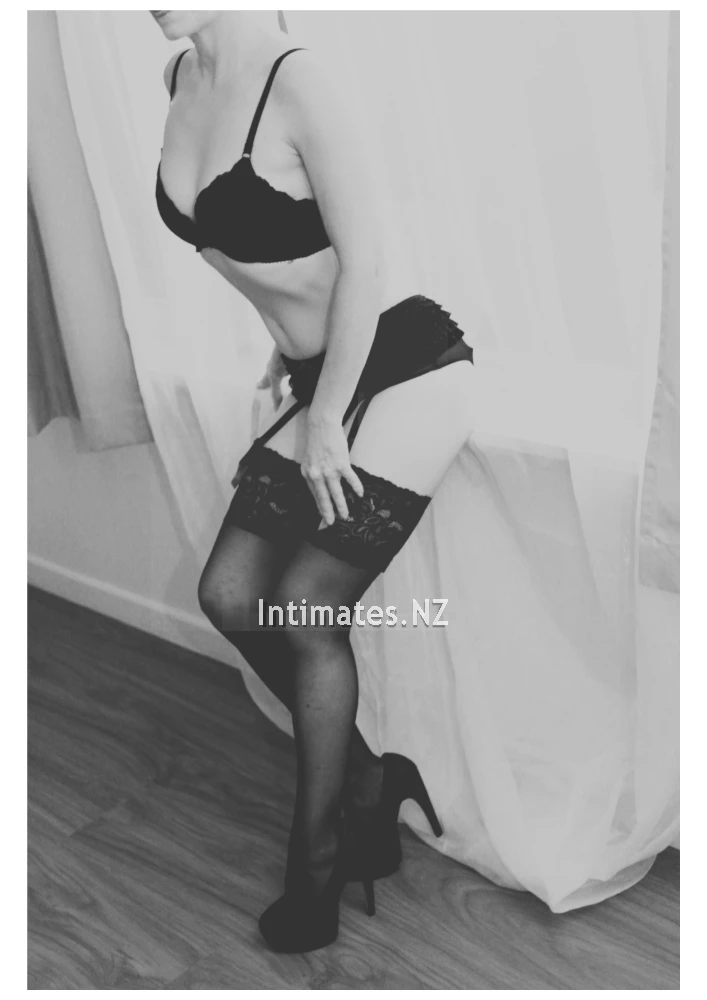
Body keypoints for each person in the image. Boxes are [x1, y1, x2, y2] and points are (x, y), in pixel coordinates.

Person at [151, 10, 475, 953]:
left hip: (402, 364)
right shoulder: (179, 81)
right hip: (317, 372)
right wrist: (288, 354)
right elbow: (266, 258)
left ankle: (320, 862)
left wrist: (327, 416)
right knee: (228, 594)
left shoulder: (299, 81)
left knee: (302, 606)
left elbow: (365, 262)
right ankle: (372, 779)